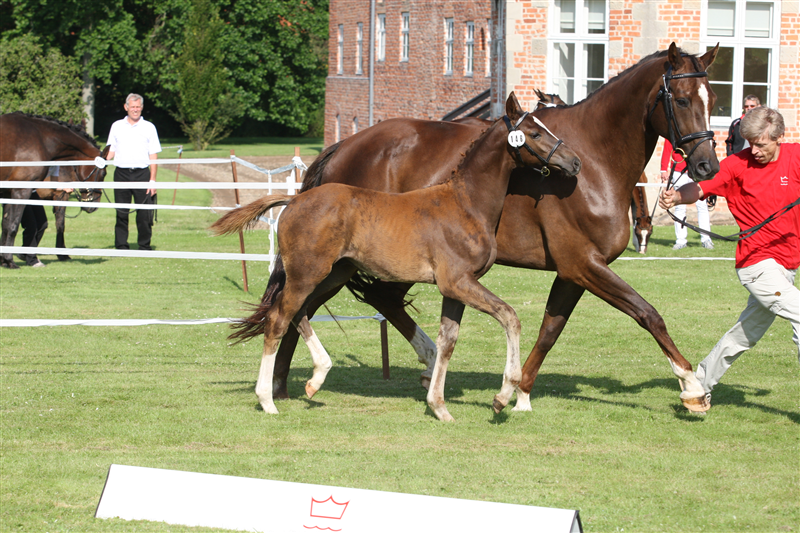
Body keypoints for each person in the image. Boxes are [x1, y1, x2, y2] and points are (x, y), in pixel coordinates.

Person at [659, 106, 800, 408]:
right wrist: (676, 196)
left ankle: (697, 386)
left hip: (786, 264)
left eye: (761, 144)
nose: (755, 150)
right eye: (751, 143)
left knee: (742, 337)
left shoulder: (795, 158)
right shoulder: (737, 165)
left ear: (780, 138)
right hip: (756, 264)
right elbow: (700, 187)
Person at [106, 93, 161, 250]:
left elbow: (153, 155)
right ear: (126, 107)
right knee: (121, 213)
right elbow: (111, 150)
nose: (135, 110)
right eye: (132, 107)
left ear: (141, 108)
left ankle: (144, 246)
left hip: (142, 174)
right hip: (121, 174)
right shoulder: (116, 126)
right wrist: (101, 162)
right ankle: (121, 245)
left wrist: (153, 180)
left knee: (144, 215)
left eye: (138, 107)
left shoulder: (149, 127)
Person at [660, 139, 714, 250]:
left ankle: (706, 238)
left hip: (697, 169)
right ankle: (680, 240)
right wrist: (663, 169)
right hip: (679, 170)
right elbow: (667, 145)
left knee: (702, 205)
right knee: (679, 207)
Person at [17, 192, 48, 267]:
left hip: (32, 192)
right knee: (31, 225)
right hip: (21, 192)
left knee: (42, 224)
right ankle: (32, 260)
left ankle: (24, 252)